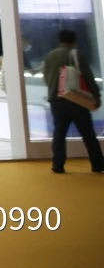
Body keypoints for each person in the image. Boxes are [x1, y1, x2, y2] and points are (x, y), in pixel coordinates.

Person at [41, 29, 103, 174]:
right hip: (75, 99)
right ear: (74, 41)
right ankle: (98, 164)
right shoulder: (76, 54)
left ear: (60, 40)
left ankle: (58, 165)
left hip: (56, 100)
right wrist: (96, 95)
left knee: (59, 133)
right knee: (88, 134)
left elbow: (46, 77)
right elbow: (87, 76)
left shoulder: (50, 55)